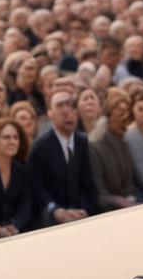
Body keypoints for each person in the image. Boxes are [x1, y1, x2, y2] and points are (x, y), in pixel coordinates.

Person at [28, 90, 98, 226]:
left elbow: (89, 185)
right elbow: (37, 189)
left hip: (82, 214)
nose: (66, 111)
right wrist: (56, 210)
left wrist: (84, 210)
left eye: (71, 105)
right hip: (54, 217)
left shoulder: (82, 141)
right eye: (60, 106)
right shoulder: (39, 149)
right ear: (50, 113)